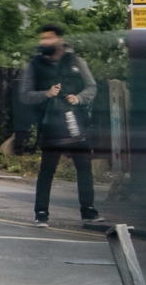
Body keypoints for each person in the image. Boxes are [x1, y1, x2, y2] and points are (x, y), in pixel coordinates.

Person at [16, 24, 99, 226]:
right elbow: (25, 95)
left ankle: (88, 210)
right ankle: (41, 213)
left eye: (48, 38)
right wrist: (46, 94)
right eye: (42, 38)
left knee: (84, 166)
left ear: (59, 40)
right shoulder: (35, 65)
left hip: (75, 122)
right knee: (47, 169)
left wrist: (78, 98)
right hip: (50, 124)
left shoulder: (76, 62)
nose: (44, 42)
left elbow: (91, 87)